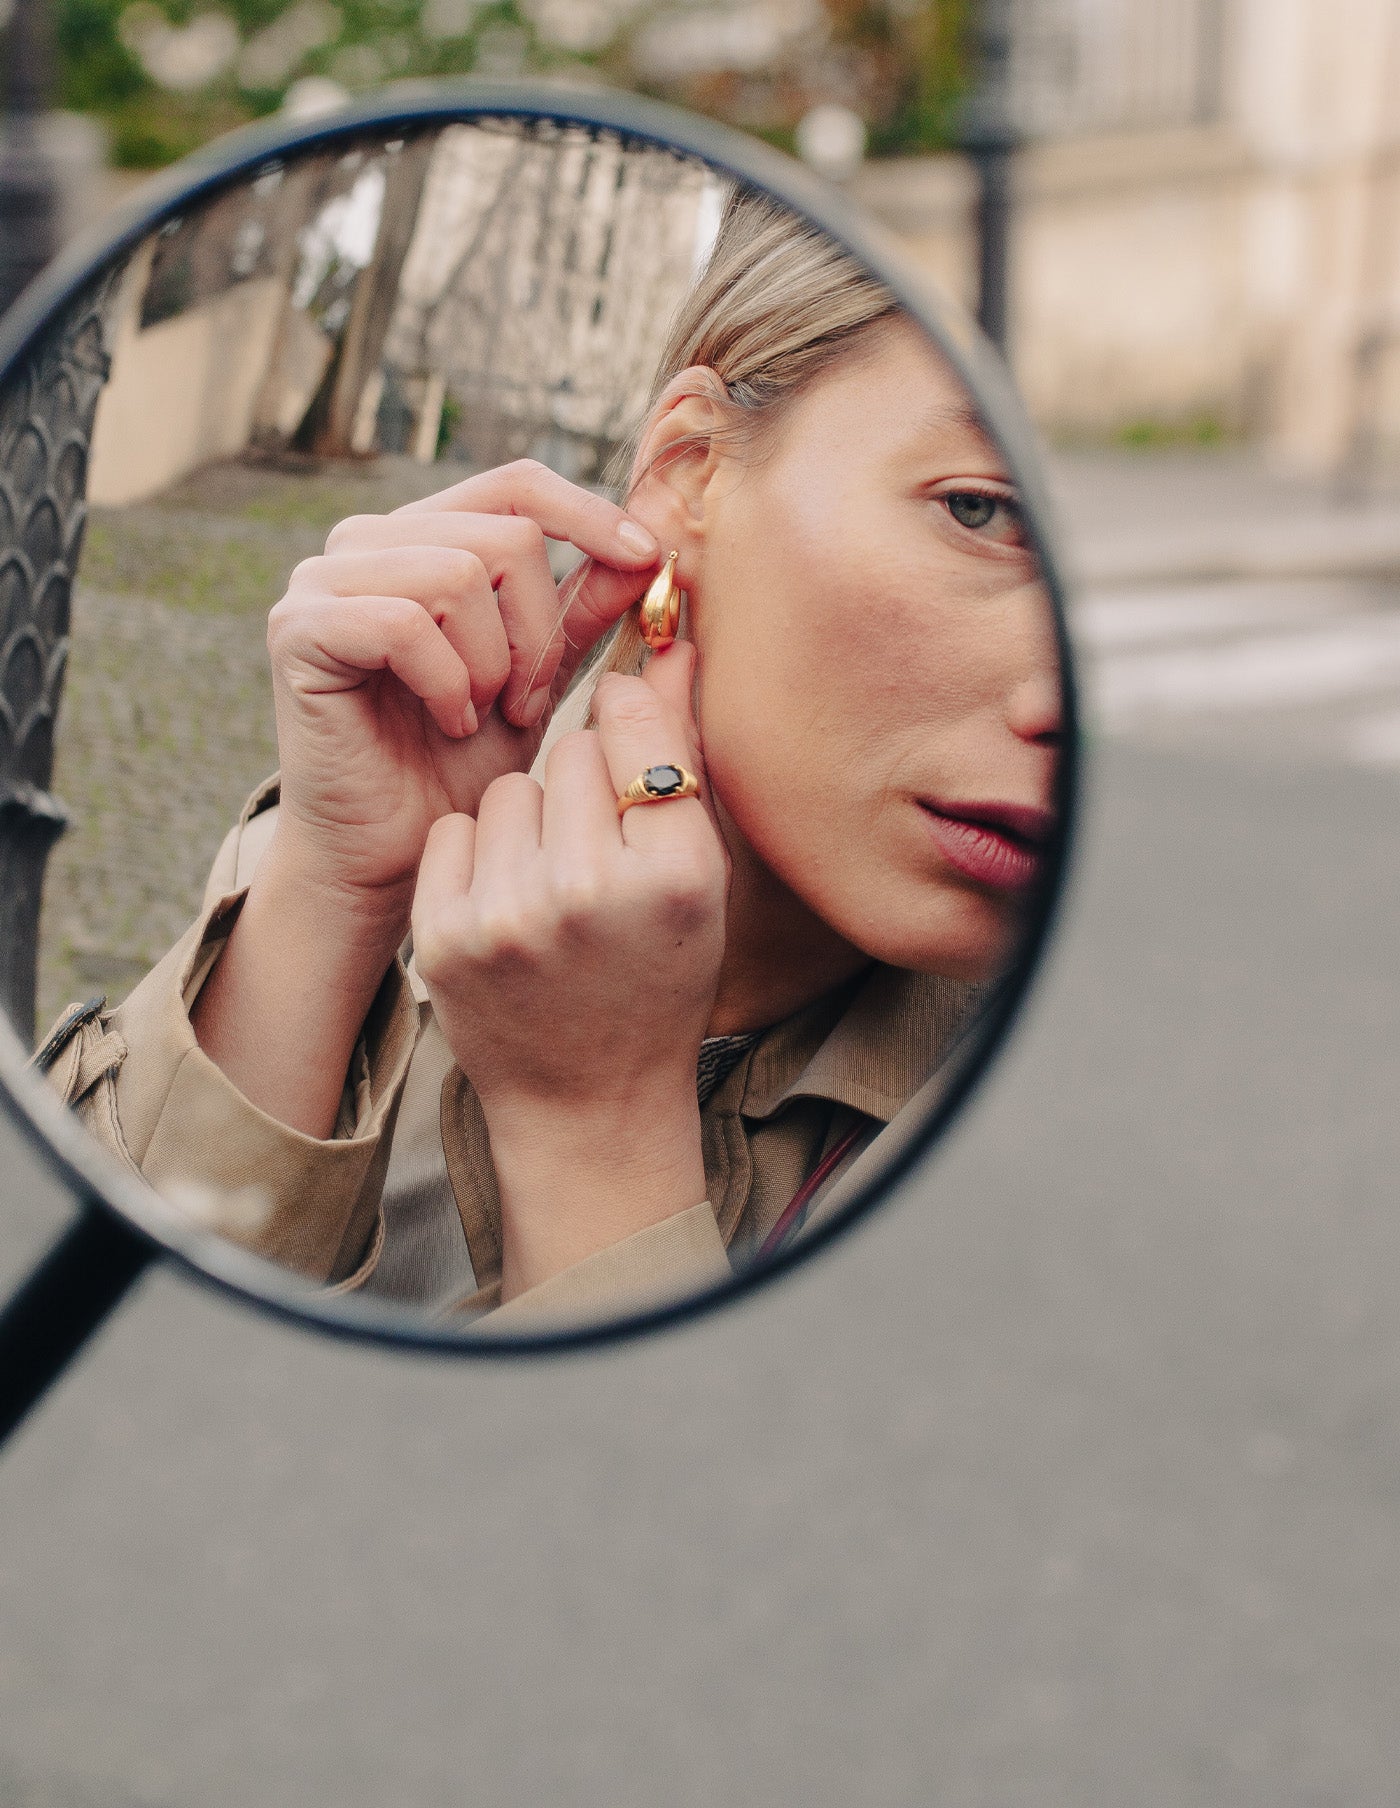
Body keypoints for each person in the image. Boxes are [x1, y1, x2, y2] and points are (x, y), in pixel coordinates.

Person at [46, 190, 1061, 1327]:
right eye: (980, 510)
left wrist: (599, 1122)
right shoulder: (381, 860)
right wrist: (331, 891)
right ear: (689, 473)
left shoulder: (1059, 1137)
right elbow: (86, 1367)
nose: (1061, 693)